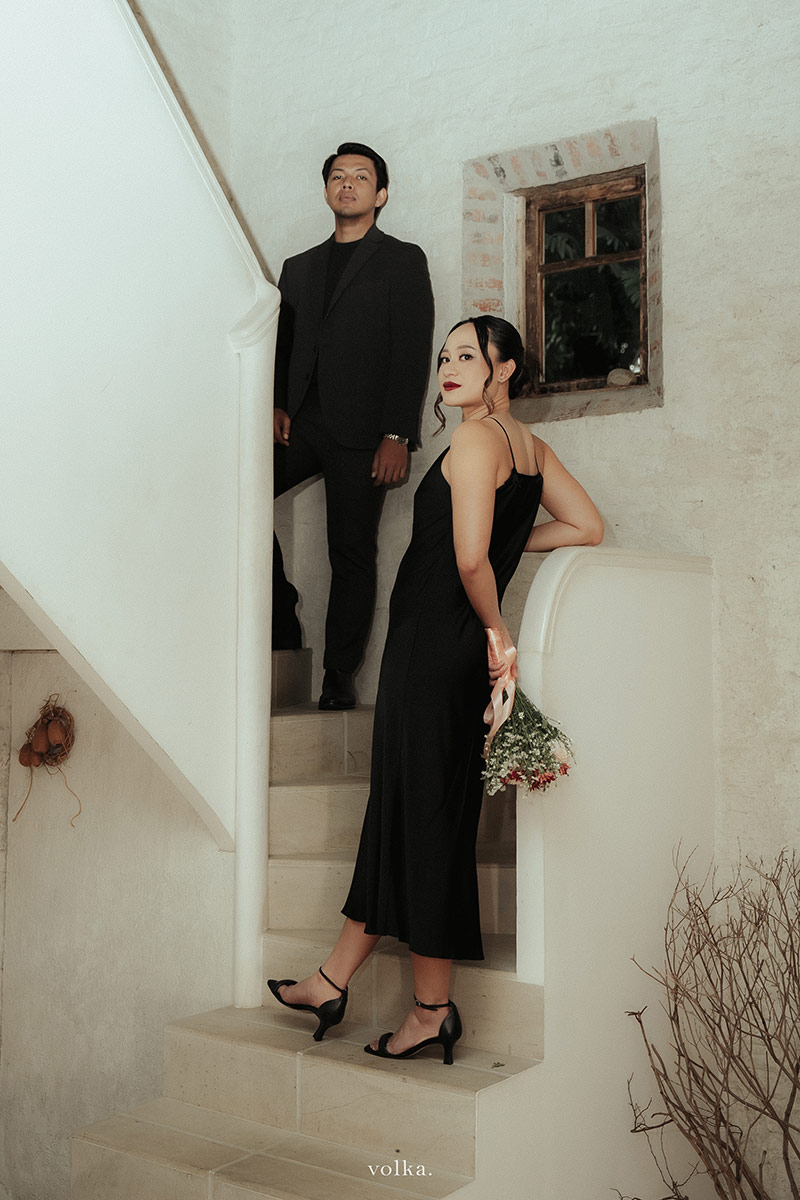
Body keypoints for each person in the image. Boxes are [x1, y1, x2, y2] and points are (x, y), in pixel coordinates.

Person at [268, 316, 603, 1062]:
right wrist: (505, 556)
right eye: (444, 356)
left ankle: (430, 1008)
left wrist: (497, 632)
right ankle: (336, 980)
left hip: (432, 647)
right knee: (414, 810)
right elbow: (586, 526)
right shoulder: (532, 449)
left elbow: (472, 560)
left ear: (504, 369)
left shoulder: (478, 440)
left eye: (467, 355)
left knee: (423, 818)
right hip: (444, 650)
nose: (448, 367)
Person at [272, 142, 435, 710]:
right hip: (299, 421)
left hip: (365, 432)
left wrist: (397, 434)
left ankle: (338, 674)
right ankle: (279, 609)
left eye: (361, 177)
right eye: (338, 176)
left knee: (351, 551)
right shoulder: (297, 268)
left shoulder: (402, 260)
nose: (347, 184)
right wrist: (274, 404)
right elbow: (281, 345)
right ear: (325, 191)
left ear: (380, 194)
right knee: (235, 498)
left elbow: (411, 350)